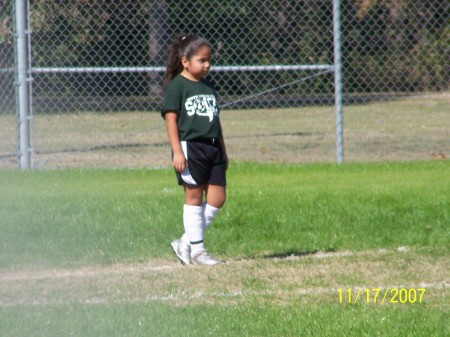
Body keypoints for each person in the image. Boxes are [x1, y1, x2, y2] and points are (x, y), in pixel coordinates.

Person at [161, 34, 228, 266]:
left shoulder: (209, 87)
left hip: (213, 148)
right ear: (185, 61)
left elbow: (214, 121)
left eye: (209, 60)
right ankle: (198, 252)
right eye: (201, 60)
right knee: (194, 196)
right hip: (190, 148)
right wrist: (177, 151)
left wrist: (223, 150)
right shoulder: (177, 86)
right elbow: (170, 120)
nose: (207, 64)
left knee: (217, 199)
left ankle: (185, 242)